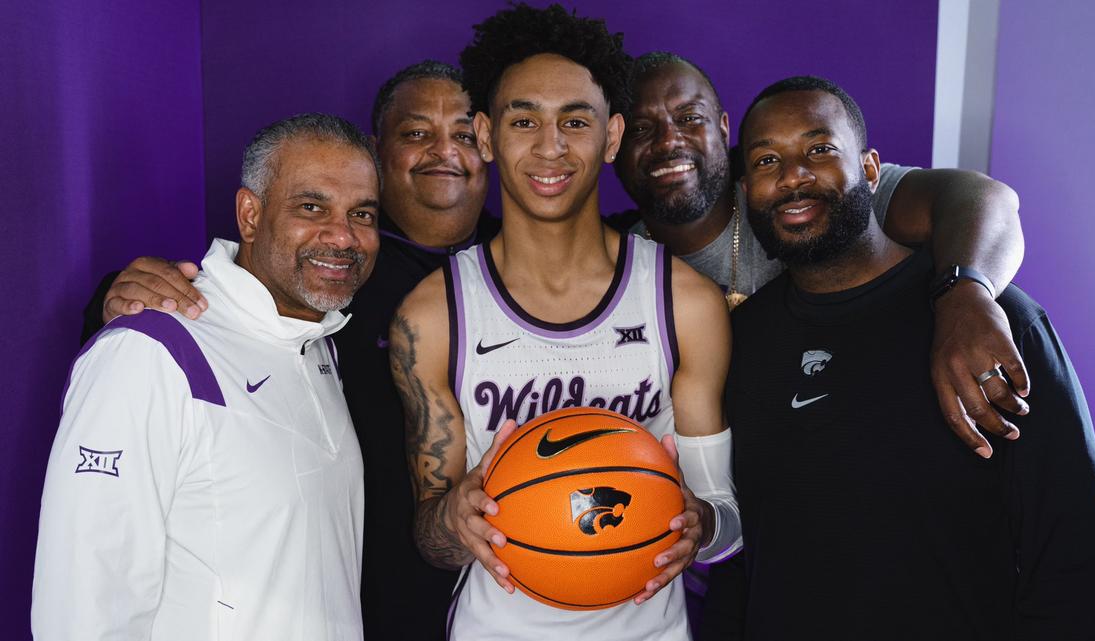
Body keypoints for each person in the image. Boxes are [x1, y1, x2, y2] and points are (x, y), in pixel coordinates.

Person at [79, 61, 498, 641]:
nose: (443, 151)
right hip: (381, 603)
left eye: (464, 133)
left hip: (502, 602)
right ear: (379, 151)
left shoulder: (523, 264)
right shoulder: (322, 283)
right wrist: (116, 302)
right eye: (417, 132)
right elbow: (93, 584)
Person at [710, 76, 1095, 639]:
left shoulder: (985, 321)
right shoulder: (741, 341)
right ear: (746, 189)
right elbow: (746, 557)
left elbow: (1069, 551)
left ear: (872, 170)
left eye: (820, 149)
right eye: (765, 160)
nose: (792, 175)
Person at [390, 5, 739, 640]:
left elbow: (725, 521)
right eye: (524, 120)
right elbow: (430, 539)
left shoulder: (683, 302)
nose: (550, 147)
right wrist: (453, 522)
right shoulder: (433, 315)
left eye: (575, 121)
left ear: (611, 138)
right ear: (487, 136)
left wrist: (701, 525)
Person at [32, 114, 381, 640]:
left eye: (362, 214)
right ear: (250, 214)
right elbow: (84, 611)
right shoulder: (149, 351)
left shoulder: (319, 345)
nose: (343, 236)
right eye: (312, 207)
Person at [614, 52, 1030, 458]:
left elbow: (984, 199)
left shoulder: (808, 198)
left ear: (723, 129)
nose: (669, 141)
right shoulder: (615, 266)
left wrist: (967, 295)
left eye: (689, 119)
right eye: (640, 128)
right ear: (612, 141)